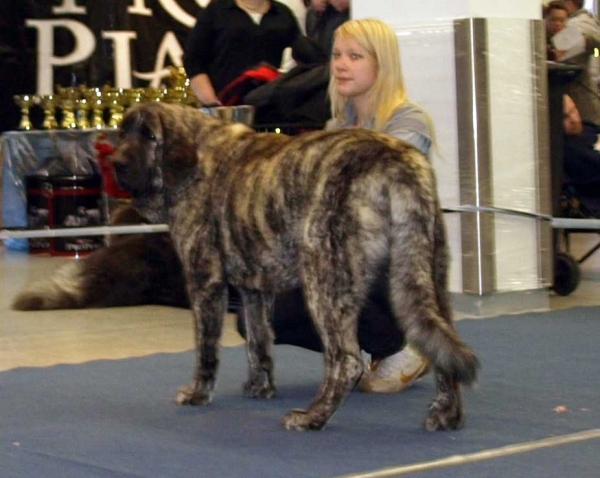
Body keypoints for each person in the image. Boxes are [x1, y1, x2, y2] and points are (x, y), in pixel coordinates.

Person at [244, 18, 435, 394]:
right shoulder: (334, 127)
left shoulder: (410, 123)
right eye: (337, 55)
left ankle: (401, 346)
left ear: (381, 65)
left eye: (354, 56)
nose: (341, 65)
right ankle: (360, 348)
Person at [183, 0, 302, 106]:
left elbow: (302, 56)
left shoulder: (283, 13)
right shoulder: (216, 10)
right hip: (225, 106)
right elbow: (193, 60)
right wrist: (212, 103)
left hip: (270, 108)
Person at [561, 0, 600, 124]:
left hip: (581, 100)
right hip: (578, 100)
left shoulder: (580, 22)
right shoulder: (582, 22)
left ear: (569, 3)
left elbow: (557, 48)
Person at [562, 94, 600, 213]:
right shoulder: (570, 150)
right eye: (565, 117)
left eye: (573, 110)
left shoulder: (585, 126)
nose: (574, 119)